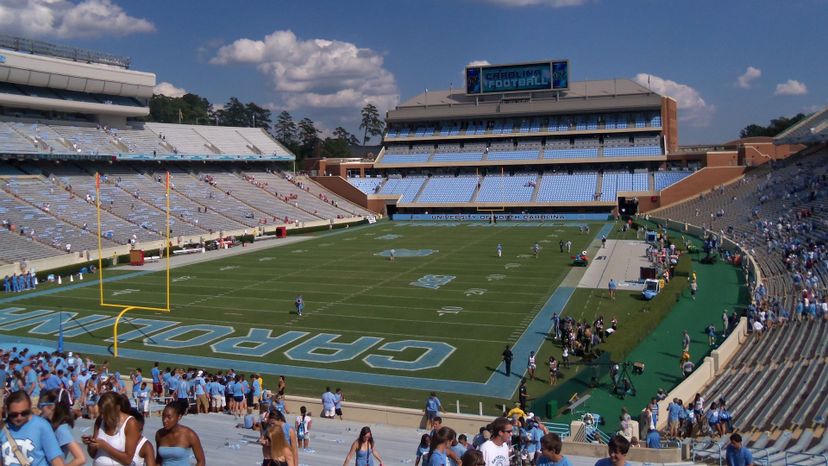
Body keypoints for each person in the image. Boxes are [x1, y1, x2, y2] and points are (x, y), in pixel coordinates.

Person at [3, 391, 66, 466]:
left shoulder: (41, 426)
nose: (19, 417)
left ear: (30, 407)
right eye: (14, 414)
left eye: (24, 413)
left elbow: (56, 460)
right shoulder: (2, 428)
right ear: (7, 410)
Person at [85, 392, 140, 466]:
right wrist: (90, 443)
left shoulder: (130, 423)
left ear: (117, 408)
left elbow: (128, 460)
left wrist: (105, 446)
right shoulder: (100, 420)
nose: (103, 416)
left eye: (106, 413)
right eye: (102, 413)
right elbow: (92, 454)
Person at [39, 389, 87, 466]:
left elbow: (81, 458)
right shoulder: (49, 425)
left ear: (51, 406)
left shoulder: (61, 429)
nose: (40, 409)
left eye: (41, 405)